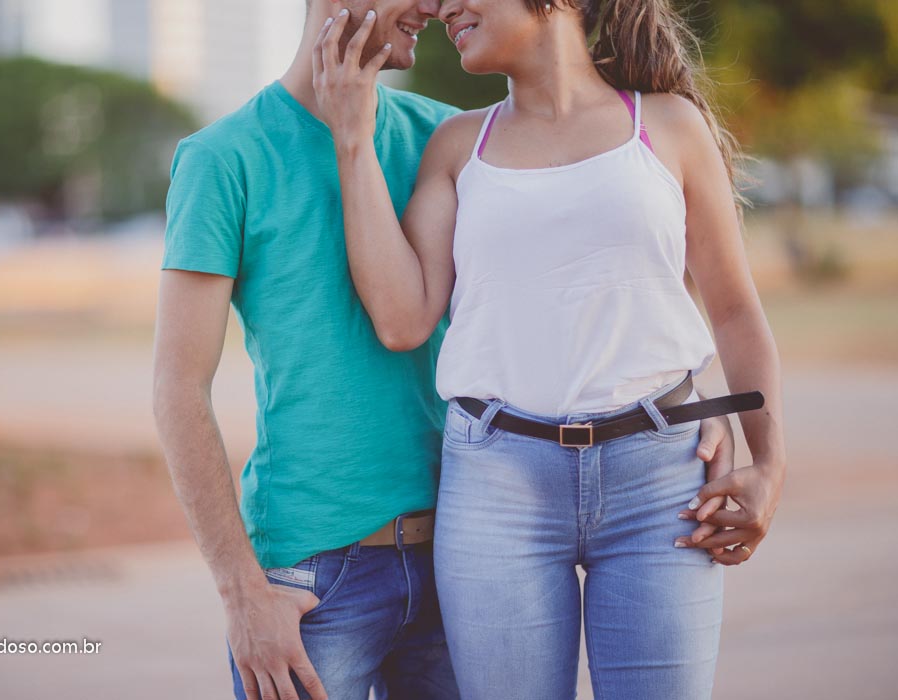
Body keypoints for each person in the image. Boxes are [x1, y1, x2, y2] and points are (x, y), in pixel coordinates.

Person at [154, 1, 734, 699]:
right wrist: (242, 593)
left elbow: (611, 264)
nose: (433, 7)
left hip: (466, 556)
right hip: (314, 575)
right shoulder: (223, 159)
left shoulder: (452, 138)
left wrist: (683, 404)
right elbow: (179, 389)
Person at [313, 0, 786, 698]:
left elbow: (737, 312)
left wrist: (770, 465)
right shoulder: (457, 148)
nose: (442, 6)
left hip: (662, 485)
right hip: (497, 487)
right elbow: (401, 318)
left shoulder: (669, 126)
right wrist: (352, 139)